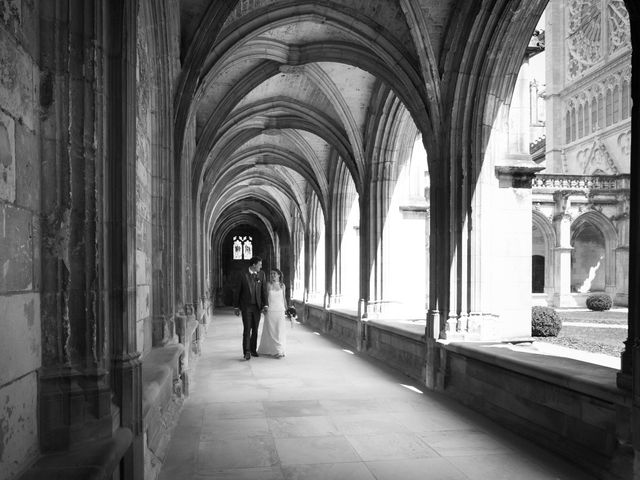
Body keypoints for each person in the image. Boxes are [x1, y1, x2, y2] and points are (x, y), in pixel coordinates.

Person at [233, 256, 269, 360]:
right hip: (246, 306)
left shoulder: (262, 274)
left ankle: (253, 350)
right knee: (247, 329)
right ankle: (247, 352)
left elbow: (264, 291)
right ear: (254, 265)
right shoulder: (242, 274)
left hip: (257, 307)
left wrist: (265, 304)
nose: (261, 267)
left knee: (255, 329)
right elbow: (237, 291)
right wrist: (236, 307)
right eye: (259, 264)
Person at [258, 269, 288, 358]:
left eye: (274, 274)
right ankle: (277, 351)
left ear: (279, 275)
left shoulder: (283, 285)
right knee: (271, 331)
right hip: (270, 311)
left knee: (279, 330)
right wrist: (264, 308)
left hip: (280, 311)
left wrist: (287, 310)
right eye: (271, 274)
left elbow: (284, 298)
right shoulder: (268, 285)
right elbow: (265, 297)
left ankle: (279, 349)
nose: (272, 275)